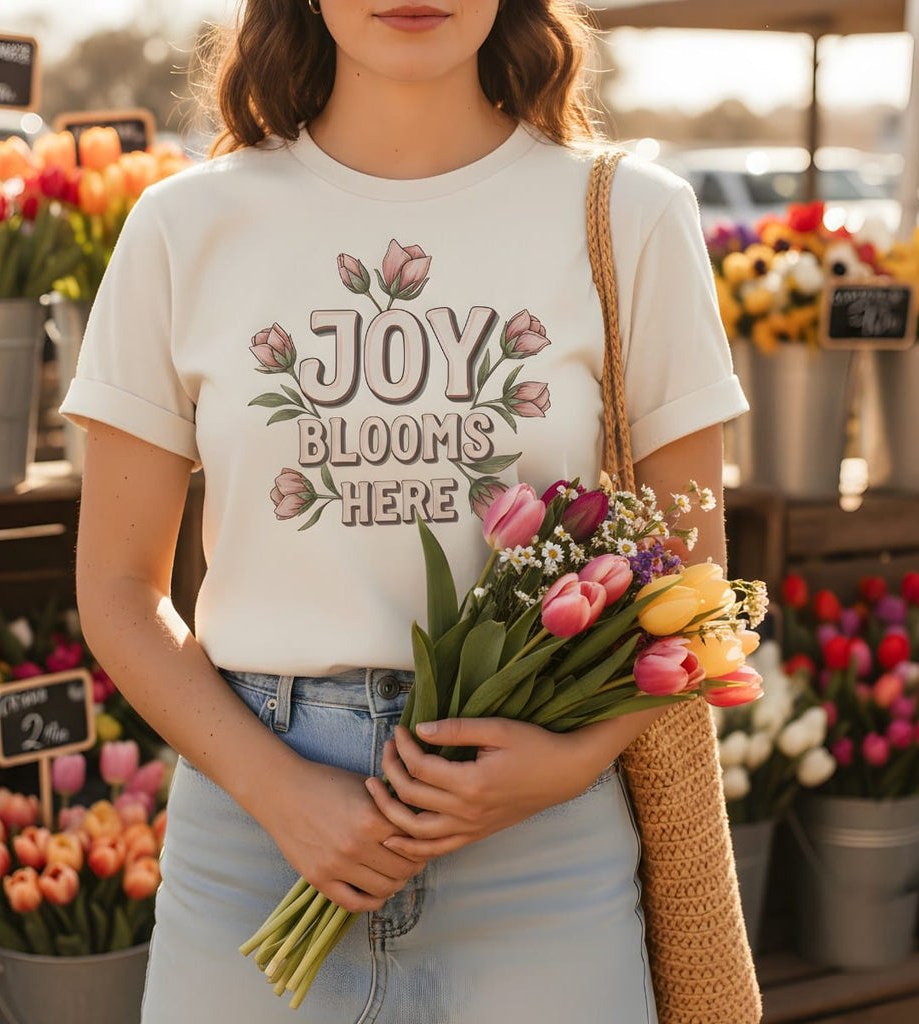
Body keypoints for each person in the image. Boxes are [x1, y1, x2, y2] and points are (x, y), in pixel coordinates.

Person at [62, 1, 750, 1021]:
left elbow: (693, 581)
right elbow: (120, 590)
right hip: (253, 848)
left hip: (542, 859)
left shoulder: (629, 215)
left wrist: (568, 761)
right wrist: (278, 791)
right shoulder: (183, 225)